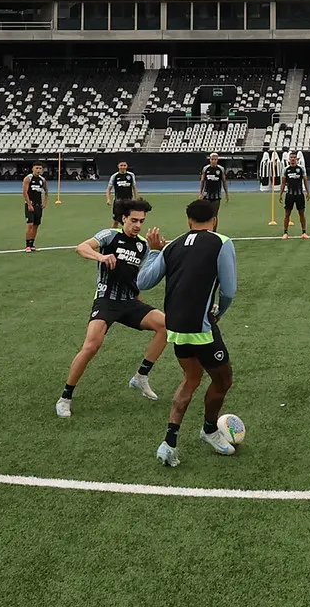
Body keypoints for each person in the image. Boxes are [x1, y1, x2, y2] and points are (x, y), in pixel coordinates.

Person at [57, 198, 168, 417]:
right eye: (134, 220)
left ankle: (140, 377)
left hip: (130, 302)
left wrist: (159, 252)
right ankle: (65, 398)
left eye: (141, 221)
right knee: (91, 346)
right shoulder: (109, 235)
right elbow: (81, 247)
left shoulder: (143, 245)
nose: (137, 225)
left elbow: (139, 276)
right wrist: (101, 255)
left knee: (166, 325)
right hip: (106, 300)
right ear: (123, 218)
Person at [154, 198, 241, 467]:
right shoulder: (221, 242)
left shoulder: (172, 246)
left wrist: (154, 252)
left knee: (191, 378)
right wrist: (218, 313)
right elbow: (228, 291)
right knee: (223, 380)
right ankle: (209, 430)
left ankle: (169, 443)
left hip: (176, 328)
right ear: (214, 220)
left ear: (189, 222)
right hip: (201, 329)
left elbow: (144, 280)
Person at [279, 153, 310, 239]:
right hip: (289, 195)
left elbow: (305, 180)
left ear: (296, 159)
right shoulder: (286, 169)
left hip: (299, 195)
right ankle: (285, 233)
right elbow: (283, 182)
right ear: (289, 159)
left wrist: (308, 192)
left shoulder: (301, 169)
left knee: (301, 213)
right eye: (291, 157)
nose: (292, 159)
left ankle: (304, 232)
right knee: (287, 214)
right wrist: (281, 194)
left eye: (294, 157)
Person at [22, 161, 48, 252]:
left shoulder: (42, 180)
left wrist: (45, 202)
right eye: (36, 168)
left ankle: (32, 243)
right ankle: (27, 245)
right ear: (33, 169)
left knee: (36, 225)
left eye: (40, 168)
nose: (38, 170)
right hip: (30, 205)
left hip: (38, 206)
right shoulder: (28, 178)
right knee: (30, 224)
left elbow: (46, 191)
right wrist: (29, 204)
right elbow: (25, 192)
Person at [106, 160, 138, 225]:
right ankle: (114, 234)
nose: (123, 167)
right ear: (118, 166)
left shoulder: (131, 175)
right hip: (118, 201)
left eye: (124, 165)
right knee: (116, 221)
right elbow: (108, 189)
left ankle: (128, 234)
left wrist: (136, 198)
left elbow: (134, 187)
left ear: (127, 166)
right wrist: (108, 199)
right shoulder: (114, 176)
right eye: (121, 165)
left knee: (129, 220)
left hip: (129, 201)